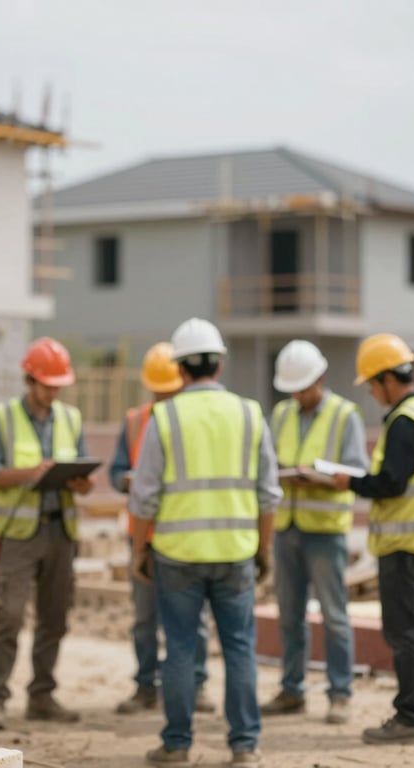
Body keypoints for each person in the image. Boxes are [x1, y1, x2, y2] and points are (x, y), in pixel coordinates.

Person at [130, 318, 281, 767]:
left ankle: (177, 744)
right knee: (239, 648)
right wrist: (264, 549)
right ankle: (245, 746)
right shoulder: (250, 414)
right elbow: (268, 494)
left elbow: (144, 497)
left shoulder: (165, 417)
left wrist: (139, 550)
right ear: (220, 364)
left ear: (179, 368)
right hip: (235, 552)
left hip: (177, 555)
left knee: (179, 648)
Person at [333, 333, 414, 745]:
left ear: (388, 378)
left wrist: (350, 481)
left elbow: (392, 483)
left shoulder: (405, 421)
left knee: (405, 633)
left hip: (405, 544)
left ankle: (410, 719)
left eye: (372, 384)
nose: (372, 392)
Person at [0, 336, 93, 729]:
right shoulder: (2, 417)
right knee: (8, 616)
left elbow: (83, 470)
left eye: (59, 386)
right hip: (18, 534)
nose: (53, 392)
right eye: (47, 385)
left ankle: (42, 696)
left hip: (61, 531)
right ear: (29, 380)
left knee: (54, 618)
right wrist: (30, 473)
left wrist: (81, 483)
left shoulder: (70, 419)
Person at [261, 340, 368, 724]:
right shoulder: (281, 414)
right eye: (293, 390)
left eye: (303, 388)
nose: (298, 396)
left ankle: (340, 694)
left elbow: (357, 470)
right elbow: (267, 462)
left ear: (320, 378)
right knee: (289, 615)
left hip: (325, 531)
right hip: (287, 527)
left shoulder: (344, 415)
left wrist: (321, 478)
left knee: (334, 615)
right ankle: (292, 691)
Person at [110, 342, 215, 716]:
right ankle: (145, 685)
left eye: (168, 391)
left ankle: (196, 686)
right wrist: (129, 480)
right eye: (158, 392)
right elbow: (116, 471)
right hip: (144, 533)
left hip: (181, 534)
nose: (163, 398)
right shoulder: (136, 421)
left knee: (193, 617)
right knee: (144, 618)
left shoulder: (191, 420)